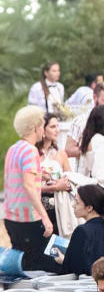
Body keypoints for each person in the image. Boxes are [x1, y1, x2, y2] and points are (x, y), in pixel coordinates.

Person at [3, 105, 58, 272]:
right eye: (42, 125)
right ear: (36, 127)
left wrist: (42, 175)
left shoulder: (14, 148)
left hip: (11, 217)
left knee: (21, 264)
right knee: (39, 266)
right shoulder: (30, 150)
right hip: (27, 218)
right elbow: (28, 186)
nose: (43, 129)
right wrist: (45, 218)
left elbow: (17, 180)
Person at [55, 184, 104, 276]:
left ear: (89, 208)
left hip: (87, 284)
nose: (73, 206)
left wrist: (62, 260)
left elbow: (73, 269)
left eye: (77, 202)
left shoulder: (82, 231)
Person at [66, 81, 104, 174]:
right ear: (95, 97)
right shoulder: (80, 121)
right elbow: (68, 150)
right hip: (83, 178)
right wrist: (89, 150)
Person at [36, 113, 77, 237]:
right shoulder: (33, 153)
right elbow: (29, 186)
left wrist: (64, 183)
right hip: (39, 206)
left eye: (58, 126)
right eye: (53, 127)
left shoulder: (61, 153)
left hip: (59, 207)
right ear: (42, 129)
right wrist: (53, 186)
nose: (57, 130)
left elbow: (71, 179)